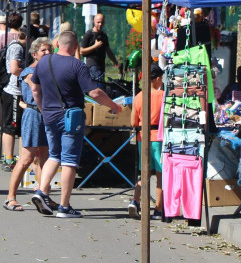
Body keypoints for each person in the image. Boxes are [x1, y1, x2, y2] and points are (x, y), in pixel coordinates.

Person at [30, 30, 122, 218]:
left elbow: (35, 89)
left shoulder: (43, 62)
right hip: (71, 117)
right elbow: (94, 93)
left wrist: (43, 109)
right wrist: (114, 106)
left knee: (54, 155)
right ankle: (64, 206)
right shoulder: (77, 65)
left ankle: (41, 191)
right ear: (75, 47)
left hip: (49, 116)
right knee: (70, 160)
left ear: (57, 44)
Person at [3, 37, 53, 211]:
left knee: (45, 159)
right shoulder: (28, 72)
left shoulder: (48, 71)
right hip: (34, 114)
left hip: (46, 115)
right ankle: (10, 198)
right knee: (26, 158)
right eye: (44, 50)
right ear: (34, 54)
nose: (48, 53)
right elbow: (36, 88)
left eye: (49, 50)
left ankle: (44, 194)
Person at [128, 65, 166, 219]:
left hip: (143, 138)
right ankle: (158, 209)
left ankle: (135, 201)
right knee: (160, 175)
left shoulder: (139, 96)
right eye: (161, 79)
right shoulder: (164, 96)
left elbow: (133, 122)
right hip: (159, 138)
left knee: (144, 174)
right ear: (157, 79)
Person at [0, 22, 26, 171]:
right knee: (11, 126)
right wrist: (29, 70)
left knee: (18, 126)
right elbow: (15, 69)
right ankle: (8, 159)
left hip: (15, 91)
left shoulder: (17, 46)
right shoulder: (17, 47)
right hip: (13, 91)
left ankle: (13, 157)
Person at [80, 13, 118, 85]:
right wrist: (95, 46)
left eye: (102, 22)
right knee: (99, 87)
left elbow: (108, 50)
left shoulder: (104, 35)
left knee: (101, 86)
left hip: (101, 65)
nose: (100, 24)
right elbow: (81, 51)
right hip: (92, 65)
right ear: (94, 22)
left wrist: (115, 62)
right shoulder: (89, 34)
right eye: (98, 22)